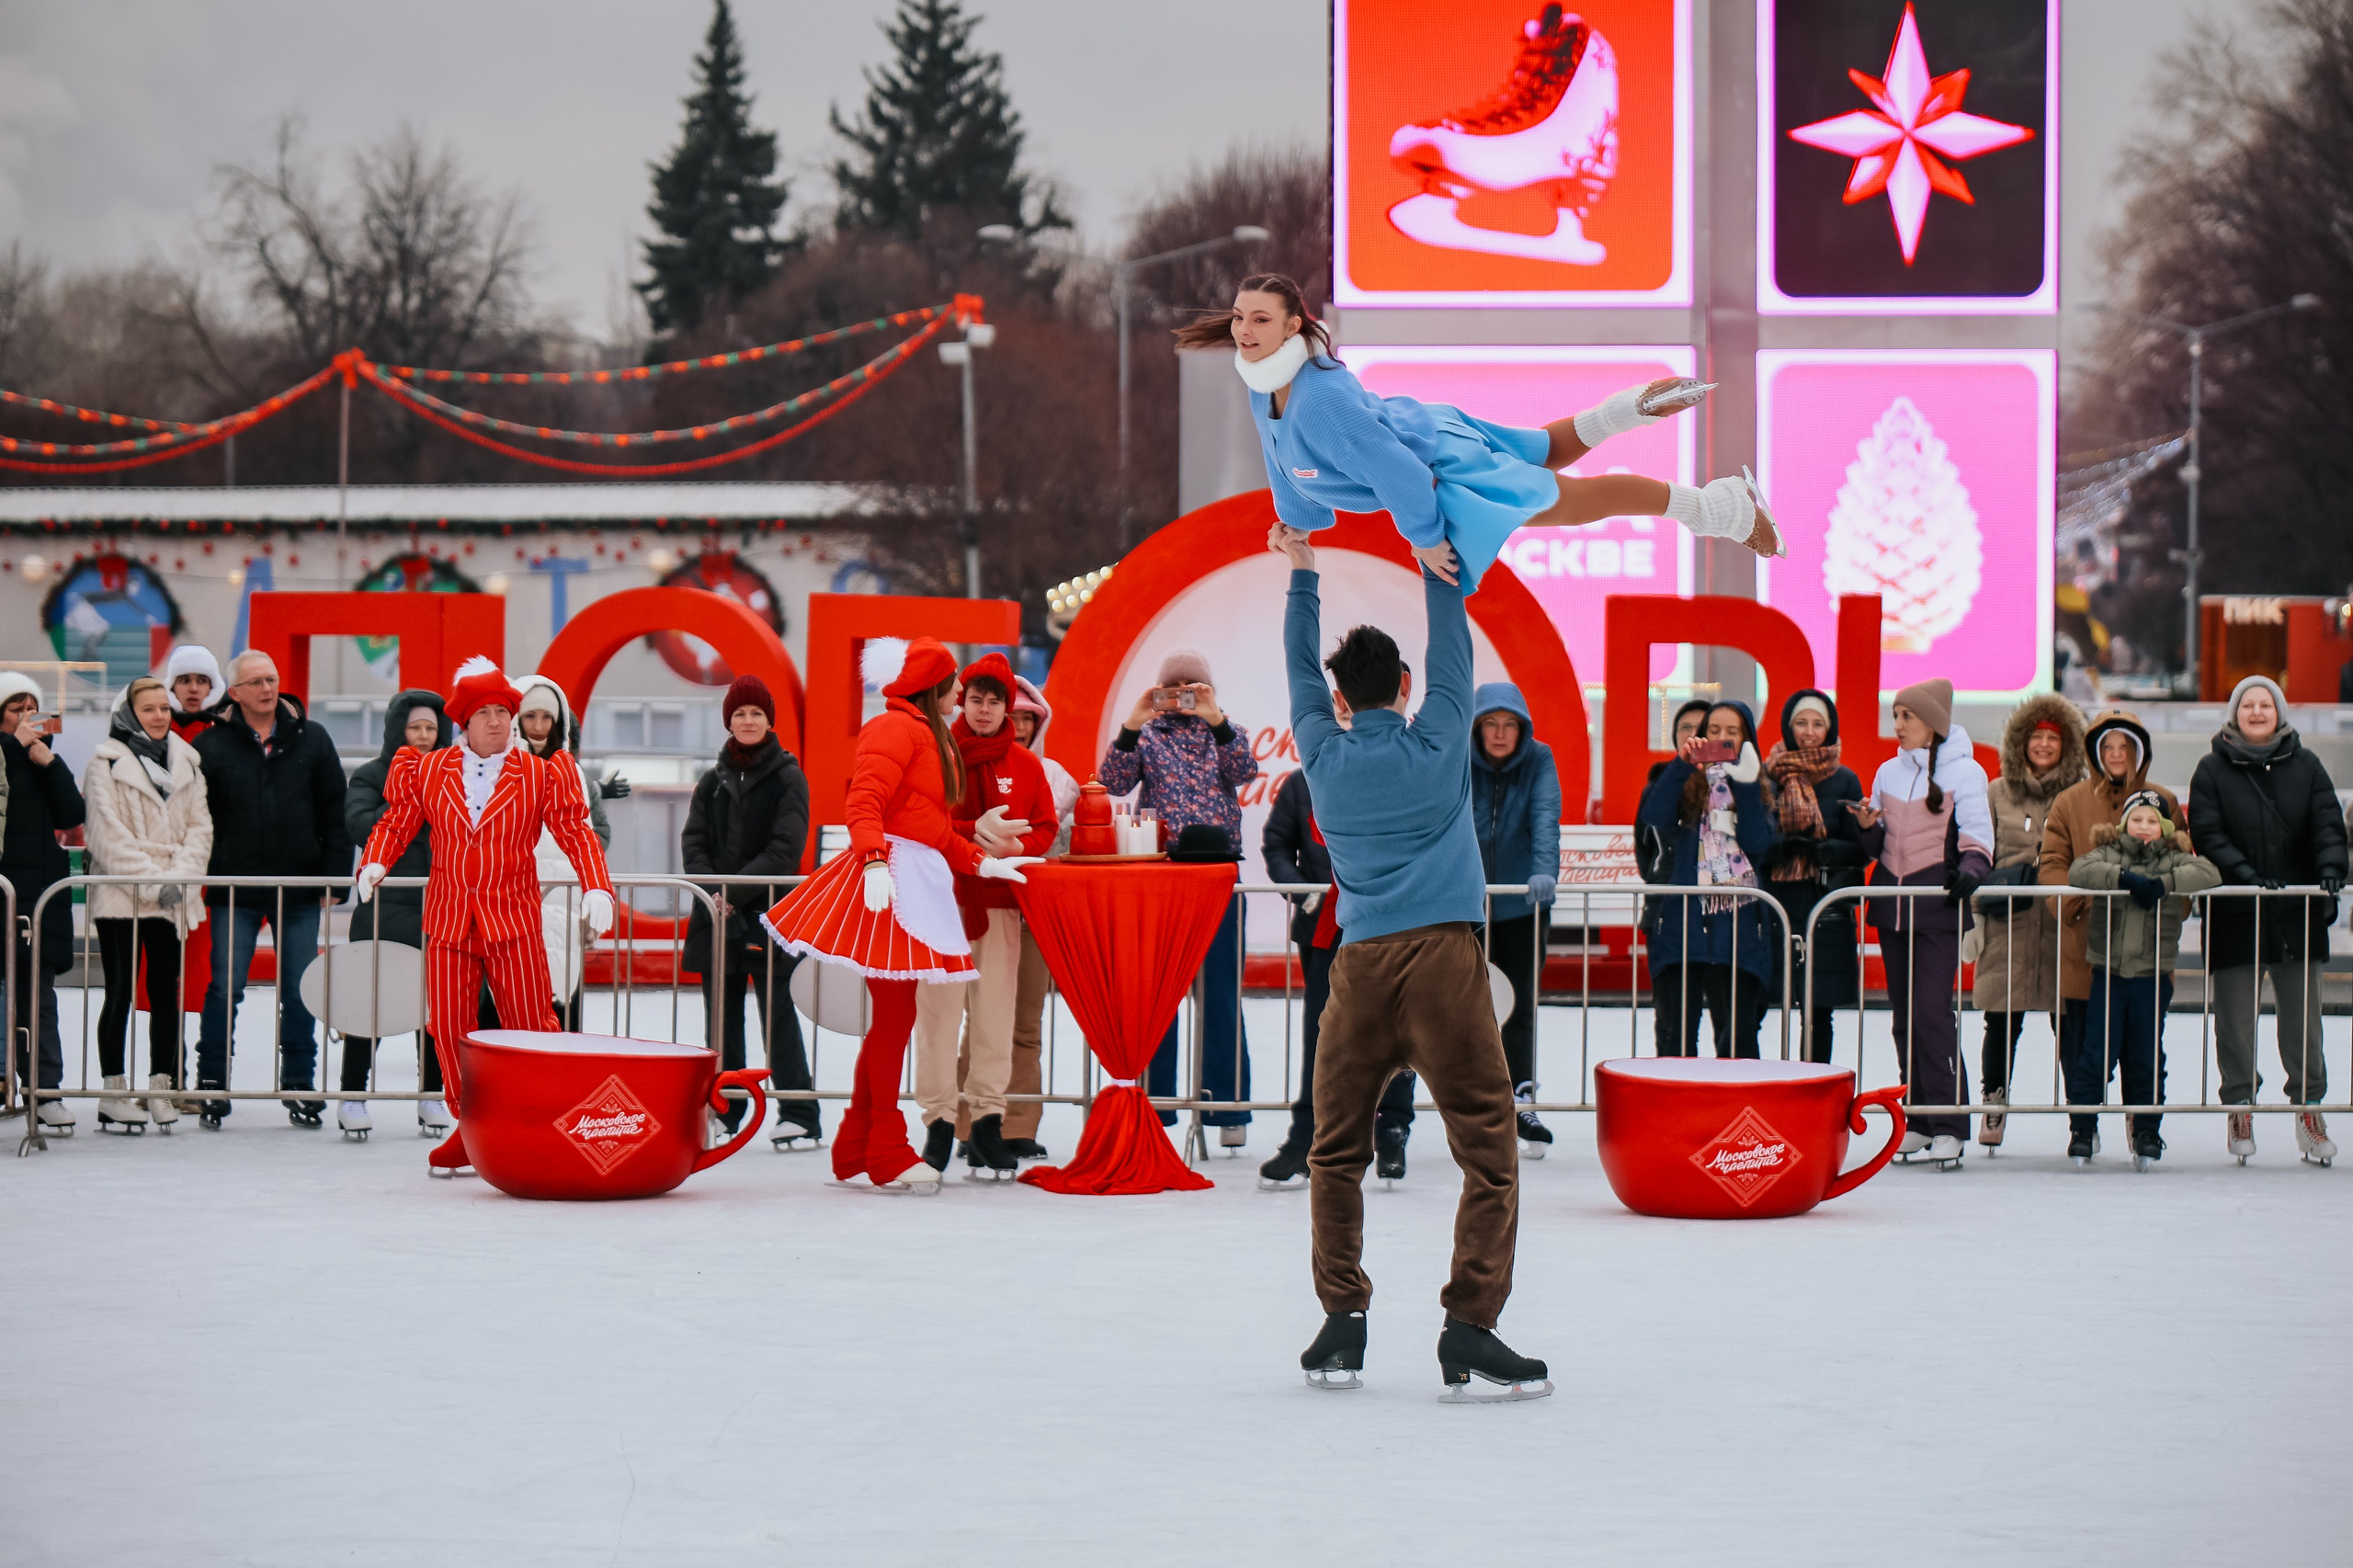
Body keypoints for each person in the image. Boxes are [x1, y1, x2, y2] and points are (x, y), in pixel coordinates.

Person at [1275, 522, 1549, 1402]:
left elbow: (1296, 669)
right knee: (1488, 1151)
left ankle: (1342, 1321)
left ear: (1341, 699)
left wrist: (1304, 572)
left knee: (1335, 1151)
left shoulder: (1319, 751)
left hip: (1357, 968)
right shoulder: (1440, 742)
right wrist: (1437, 571)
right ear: (1403, 686)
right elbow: (1453, 650)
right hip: (1443, 963)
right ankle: (1470, 1323)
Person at [1176, 273, 1777, 592]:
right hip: (1430, 430)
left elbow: (1396, 471)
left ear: (1292, 328)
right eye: (1239, 317)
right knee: (1544, 454)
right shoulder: (1264, 386)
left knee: (1571, 504)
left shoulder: (1320, 401)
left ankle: (1718, 507)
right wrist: (1298, 522)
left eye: (1261, 319)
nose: (1245, 330)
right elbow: (1288, 465)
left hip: (1438, 467)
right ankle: (1628, 410)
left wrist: (1426, 537)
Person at [759, 636, 1038, 1193]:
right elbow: (864, 802)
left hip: (910, 877)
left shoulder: (922, 733)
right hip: (892, 883)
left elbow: (931, 825)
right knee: (894, 1019)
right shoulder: (895, 728)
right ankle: (883, 1147)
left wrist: (981, 861)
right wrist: (873, 863)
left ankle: (858, 1142)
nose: (962, 694)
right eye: (953, 683)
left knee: (894, 1019)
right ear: (933, 686)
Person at [355, 658, 619, 1174]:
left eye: (505, 710)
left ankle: (540, 1121)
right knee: (449, 1027)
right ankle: (469, 1125)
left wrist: (597, 887)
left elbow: (576, 832)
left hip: (514, 921)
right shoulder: (427, 769)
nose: (499, 721)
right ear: (465, 721)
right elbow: (399, 819)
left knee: (531, 1027)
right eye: (486, 712)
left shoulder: (543, 773)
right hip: (450, 920)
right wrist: (376, 859)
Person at [1097, 648, 1259, 1140]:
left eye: (1194, 689)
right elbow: (1112, 783)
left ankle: (1228, 1110)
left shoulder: (1228, 731)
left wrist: (1217, 722)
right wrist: (1130, 724)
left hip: (1217, 875)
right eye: (1174, 689)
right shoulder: (1146, 734)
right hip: (1161, 876)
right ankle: (1158, 1105)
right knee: (1158, 994)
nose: (1183, 699)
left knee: (1221, 995)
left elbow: (1245, 772)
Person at [2188, 675, 2347, 1165]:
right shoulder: (2212, 770)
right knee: (2235, 1021)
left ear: (2279, 712)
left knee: (2304, 1022)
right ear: (2235, 714)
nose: (2257, 712)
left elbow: (2327, 823)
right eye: (2248, 705)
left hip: (2296, 913)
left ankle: (2309, 1109)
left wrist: (2330, 869)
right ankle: (2239, 1105)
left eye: (2266, 704)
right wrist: (2247, 876)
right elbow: (2208, 833)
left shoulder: (2308, 766)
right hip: (2237, 913)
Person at [192, 651, 350, 1130]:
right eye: (256, 681)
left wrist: (335, 876)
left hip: (299, 888)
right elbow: (198, 818)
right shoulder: (212, 745)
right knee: (224, 989)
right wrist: (205, 875)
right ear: (234, 692)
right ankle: (212, 1085)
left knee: (300, 991)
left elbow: (334, 810)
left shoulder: (313, 738)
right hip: (234, 889)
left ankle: (300, 1085)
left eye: (273, 679)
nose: (267, 688)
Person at [916, 653, 1059, 1180]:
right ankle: (936, 1122)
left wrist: (1017, 844)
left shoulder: (1027, 766)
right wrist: (972, 831)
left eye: (993, 701)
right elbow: (922, 819)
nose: (982, 709)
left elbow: (1045, 826)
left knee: (995, 1018)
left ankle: (987, 1123)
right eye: (975, 699)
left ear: (1008, 708)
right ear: (961, 700)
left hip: (999, 904)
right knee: (938, 1017)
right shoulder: (936, 752)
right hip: (944, 902)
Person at [1257, 763, 1417, 1190]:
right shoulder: (1300, 783)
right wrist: (1303, 890)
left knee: (1396, 1030)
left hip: (1388, 923)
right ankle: (1305, 1136)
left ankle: (1392, 1130)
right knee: (1321, 1034)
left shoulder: (1398, 777)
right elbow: (1276, 845)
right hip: (1323, 927)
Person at [1852, 679, 1992, 1169]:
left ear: (1932, 722)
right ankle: (1918, 1118)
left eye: (1907, 716)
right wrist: (1868, 829)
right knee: (1904, 1017)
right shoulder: (1887, 772)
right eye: (1896, 715)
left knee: (1932, 1013)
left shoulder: (1966, 773)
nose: (1898, 725)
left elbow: (1978, 840)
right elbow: (1879, 847)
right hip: (1894, 907)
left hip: (1937, 909)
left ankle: (1950, 1121)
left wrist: (1970, 874)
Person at [682, 675, 817, 1146]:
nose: (747, 721)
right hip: (716, 918)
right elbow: (693, 842)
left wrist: (730, 894)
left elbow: (785, 850)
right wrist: (712, 892)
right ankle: (726, 1110)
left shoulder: (787, 775)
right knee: (721, 1020)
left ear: (769, 721)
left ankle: (800, 1111)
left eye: (756, 713)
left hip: (768, 917)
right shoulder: (712, 778)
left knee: (777, 1014)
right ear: (729, 721)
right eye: (740, 713)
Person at [2039, 708, 2178, 1159]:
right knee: (2083, 1049)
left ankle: (2145, 1129)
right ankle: (2083, 1126)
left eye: (2125, 747)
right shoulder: (2070, 802)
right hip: (2086, 950)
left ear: (2139, 753)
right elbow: (2052, 865)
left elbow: (2184, 862)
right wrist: (2077, 902)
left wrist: (2166, 901)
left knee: (2144, 1049)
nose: (2117, 755)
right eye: (2109, 747)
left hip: (2146, 953)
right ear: (2096, 753)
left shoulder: (2162, 800)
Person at [82, 677, 212, 1134]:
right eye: (148, 709)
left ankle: (162, 1084)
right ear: (128, 714)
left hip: (172, 893)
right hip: (123, 894)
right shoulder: (104, 763)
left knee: (165, 991)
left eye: (164, 708)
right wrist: (160, 884)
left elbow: (201, 829)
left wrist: (180, 880)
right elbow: (106, 836)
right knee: (118, 991)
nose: (159, 716)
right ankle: (113, 1091)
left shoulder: (187, 762)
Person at [2067, 793, 2220, 1169]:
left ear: (2165, 828)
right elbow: (2079, 871)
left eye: (2152, 821)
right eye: (2137, 820)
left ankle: (2147, 1132)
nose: (2144, 827)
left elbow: (2210, 874)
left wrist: (2164, 883)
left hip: (2152, 977)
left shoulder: (2174, 857)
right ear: (2124, 825)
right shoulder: (2108, 852)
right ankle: (2083, 1129)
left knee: (2147, 1057)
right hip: (2110, 973)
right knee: (2095, 1056)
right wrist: (2121, 877)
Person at [1968, 696, 2086, 1147]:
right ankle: (1995, 1102)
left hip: (2062, 924)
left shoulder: (2080, 792)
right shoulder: (1998, 791)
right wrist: (1975, 918)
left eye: (2052, 738)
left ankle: (2081, 1112)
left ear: (2066, 745)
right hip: (2007, 924)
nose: (2042, 744)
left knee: (2068, 1020)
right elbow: (1982, 852)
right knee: (2001, 1020)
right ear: (2020, 741)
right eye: (2035, 736)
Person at [1635, 701, 1780, 1059]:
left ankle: (1737, 1113)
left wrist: (1745, 783)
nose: (1722, 739)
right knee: (1677, 1037)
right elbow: (1653, 815)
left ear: (1747, 739)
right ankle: (1677, 1113)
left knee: (1738, 1039)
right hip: (1684, 925)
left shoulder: (1760, 784)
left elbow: (1759, 843)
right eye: (1713, 731)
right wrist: (1683, 765)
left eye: (1732, 732)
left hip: (1740, 927)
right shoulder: (1684, 780)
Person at [344, 690, 454, 1137]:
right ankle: (352, 1096)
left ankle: (431, 1095)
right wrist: (408, 793)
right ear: (397, 731)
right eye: (415, 728)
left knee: (434, 1008)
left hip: (440, 905)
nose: (424, 736)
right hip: (383, 908)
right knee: (370, 1005)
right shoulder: (371, 775)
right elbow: (359, 826)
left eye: (431, 728)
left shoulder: (454, 776)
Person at [1469, 683, 1561, 1153]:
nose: (1500, 733)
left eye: (1509, 724)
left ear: (1521, 729)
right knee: (1465, 1008)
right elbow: (1448, 818)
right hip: (1467, 906)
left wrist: (1544, 871)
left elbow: (1545, 816)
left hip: (1521, 905)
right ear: (1478, 726)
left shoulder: (1538, 759)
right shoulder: (1461, 759)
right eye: (1491, 723)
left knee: (1519, 1004)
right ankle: (1476, 1104)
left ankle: (1521, 1098)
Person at [499, 675, 612, 1033]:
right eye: (530, 716)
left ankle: (561, 1083)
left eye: (546, 718)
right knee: (509, 1000)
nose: (538, 726)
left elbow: (585, 838)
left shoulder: (572, 772)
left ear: (558, 721)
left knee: (561, 996)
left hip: (562, 896)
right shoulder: (501, 767)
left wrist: (595, 890)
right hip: (510, 896)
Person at [0, 672, 85, 1136]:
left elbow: (73, 813)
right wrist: (16, 747)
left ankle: (45, 1091)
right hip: (4, 887)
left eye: (34, 709)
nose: (28, 718)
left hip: (40, 897)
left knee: (39, 999)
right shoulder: (4, 757)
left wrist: (47, 760)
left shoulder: (43, 758)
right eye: (18, 709)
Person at [1760, 690, 1865, 1066]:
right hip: (1775, 904)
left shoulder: (1845, 779)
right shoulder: (1766, 774)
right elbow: (1752, 839)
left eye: (1817, 724)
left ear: (1830, 728)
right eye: (1801, 723)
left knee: (1819, 1010)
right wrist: (1782, 847)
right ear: (1788, 726)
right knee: (1760, 1004)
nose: (1809, 732)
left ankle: (1814, 1090)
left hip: (1825, 910)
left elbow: (1863, 846)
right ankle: (1762, 1090)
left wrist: (1831, 850)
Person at [1001, 676, 1077, 1162]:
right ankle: (970, 1123)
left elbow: (1066, 843)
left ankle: (1020, 1125)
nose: (1022, 727)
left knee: (1025, 1024)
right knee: (980, 1022)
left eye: (1030, 718)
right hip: (980, 909)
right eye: (1015, 716)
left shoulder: (1059, 779)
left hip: (1031, 913)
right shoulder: (965, 768)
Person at [163, 644, 223, 743]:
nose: (194, 689)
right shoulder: (155, 731)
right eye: (185, 681)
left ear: (212, 688)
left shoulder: (224, 736)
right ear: (172, 687)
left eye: (202, 681)